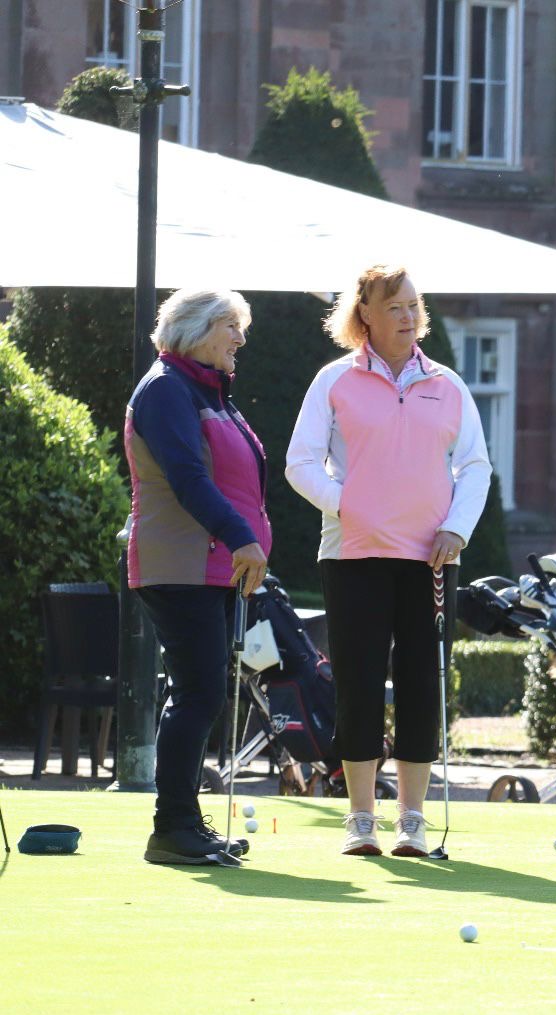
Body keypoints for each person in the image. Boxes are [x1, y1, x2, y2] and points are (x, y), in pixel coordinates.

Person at [285, 265, 491, 857]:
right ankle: (360, 819)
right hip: (353, 555)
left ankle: (413, 820)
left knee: (423, 682)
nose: (407, 316)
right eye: (393, 306)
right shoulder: (333, 380)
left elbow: (474, 466)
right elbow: (301, 463)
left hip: (430, 558)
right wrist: (345, 505)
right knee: (358, 682)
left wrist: (457, 527)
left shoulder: (447, 384)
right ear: (364, 315)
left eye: (413, 305)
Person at [126, 288, 270, 865]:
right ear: (196, 329)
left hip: (205, 565)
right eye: (231, 326)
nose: (240, 337)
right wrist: (242, 537)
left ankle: (184, 822)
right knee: (197, 692)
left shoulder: (202, 388)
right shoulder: (165, 389)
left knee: (200, 691)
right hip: (177, 562)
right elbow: (188, 478)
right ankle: (173, 828)